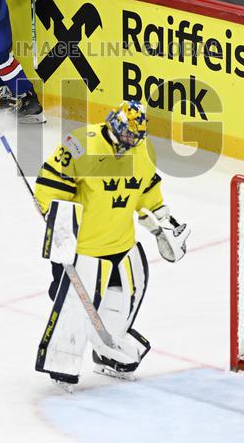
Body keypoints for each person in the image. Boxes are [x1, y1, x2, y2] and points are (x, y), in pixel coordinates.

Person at [32, 100, 189, 390]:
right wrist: (55, 219)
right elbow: (50, 187)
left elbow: (146, 190)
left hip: (122, 244)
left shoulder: (141, 149)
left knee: (122, 303)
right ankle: (61, 363)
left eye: (136, 137)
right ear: (115, 125)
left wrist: (162, 219)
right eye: (128, 135)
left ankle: (109, 354)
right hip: (84, 249)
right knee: (73, 308)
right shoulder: (80, 145)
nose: (132, 142)